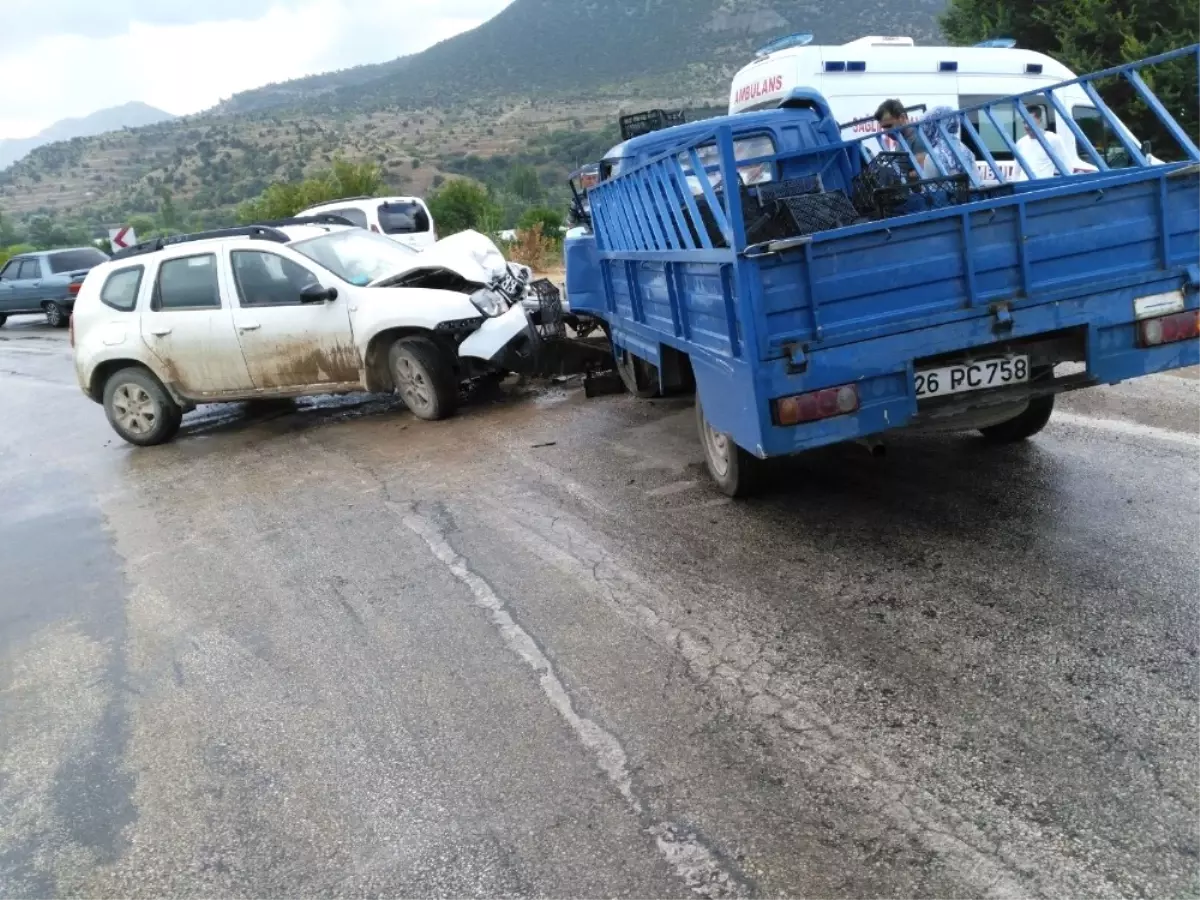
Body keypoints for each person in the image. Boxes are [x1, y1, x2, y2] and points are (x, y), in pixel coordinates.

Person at [1013, 107, 1072, 179]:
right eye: (1024, 122)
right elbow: (1016, 171)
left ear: (1040, 120)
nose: (1026, 126)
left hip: (1043, 188)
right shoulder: (1021, 143)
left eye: (1030, 122)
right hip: (1025, 188)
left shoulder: (1053, 139)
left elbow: (1066, 166)